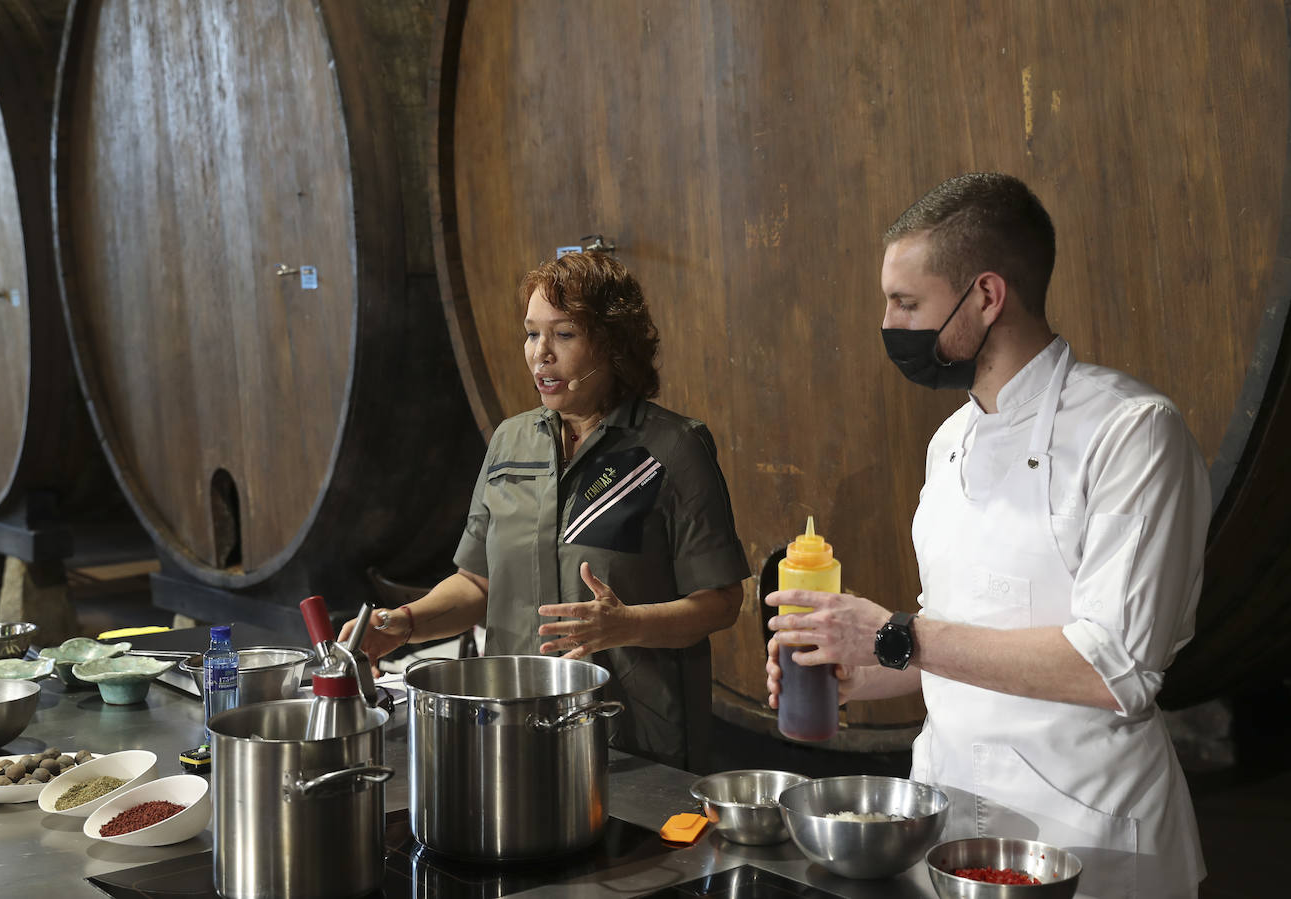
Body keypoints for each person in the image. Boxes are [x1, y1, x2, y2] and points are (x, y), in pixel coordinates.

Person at [765, 173, 1209, 897]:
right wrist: (850, 668)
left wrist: (896, 633)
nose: (889, 323)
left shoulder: (1131, 432)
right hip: (948, 833)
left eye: (907, 303)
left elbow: (1117, 666)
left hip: (1088, 842)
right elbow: (963, 644)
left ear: (987, 295)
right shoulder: (950, 443)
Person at [342, 250, 748, 770]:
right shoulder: (510, 441)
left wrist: (623, 626)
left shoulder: (672, 448)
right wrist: (402, 622)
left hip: (631, 741)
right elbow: (478, 585)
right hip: (510, 728)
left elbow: (719, 602)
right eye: (532, 334)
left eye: (565, 335)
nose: (541, 355)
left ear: (614, 344)